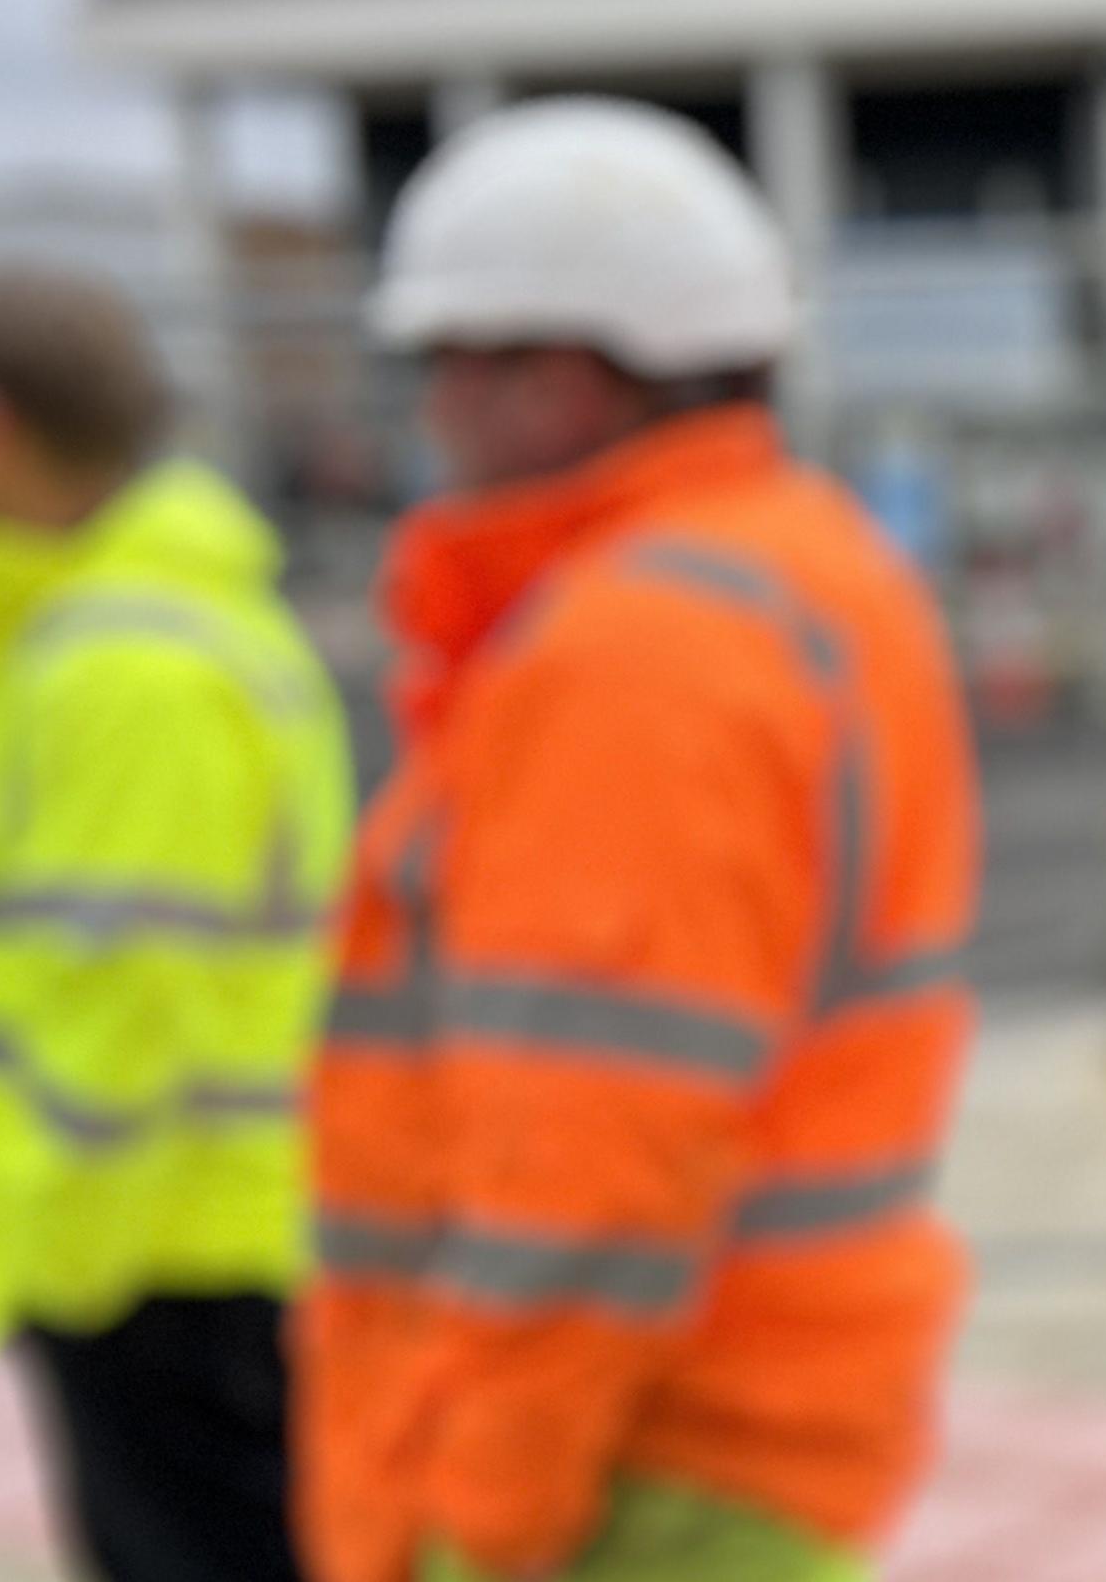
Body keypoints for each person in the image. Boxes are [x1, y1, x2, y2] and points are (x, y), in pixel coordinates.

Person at [301, 98, 982, 1582]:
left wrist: (485, 1512)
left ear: (554, 373)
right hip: (757, 1413)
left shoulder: (638, 646)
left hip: (637, 1457)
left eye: (445, 365)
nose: (428, 412)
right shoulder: (810, 565)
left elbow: (593, 1154)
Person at [0, 264, 353, 1582]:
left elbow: (132, 1006)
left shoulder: (123, 665)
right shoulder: (70, 631)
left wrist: (59, 1258)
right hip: (153, 1250)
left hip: (159, 1260)